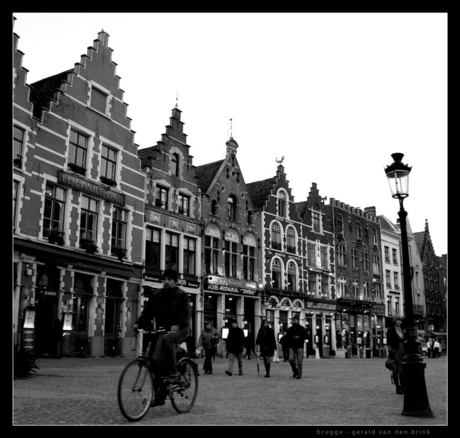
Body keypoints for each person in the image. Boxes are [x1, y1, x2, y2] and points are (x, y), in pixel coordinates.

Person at [132, 269, 190, 406]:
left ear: (175, 281)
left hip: (180, 329)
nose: (166, 282)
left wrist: (177, 325)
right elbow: (148, 312)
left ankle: (174, 372)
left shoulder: (182, 295)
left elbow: (185, 315)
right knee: (155, 362)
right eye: (164, 279)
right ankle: (160, 395)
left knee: (166, 339)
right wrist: (138, 323)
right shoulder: (157, 295)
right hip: (162, 331)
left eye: (169, 279)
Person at [386, 315, 406, 394]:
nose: (399, 321)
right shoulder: (390, 330)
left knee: (402, 369)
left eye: (400, 320)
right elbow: (389, 343)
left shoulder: (403, 329)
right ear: (394, 321)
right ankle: (397, 387)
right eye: (397, 320)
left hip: (403, 350)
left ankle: (403, 386)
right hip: (396, 350)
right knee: (395, 369)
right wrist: (390, 353)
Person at [286, 315, 307, 379]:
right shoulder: (290, 329)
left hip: (299, 346)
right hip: (291, 346)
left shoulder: (302, 328)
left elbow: (306, 336)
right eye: (294, 320)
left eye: (296, 320)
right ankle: (295, 370)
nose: (295, 321)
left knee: (299, 361)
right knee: (291, 359)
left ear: (298, 321)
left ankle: (299, 374)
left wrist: (299, 337)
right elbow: (287, 338)